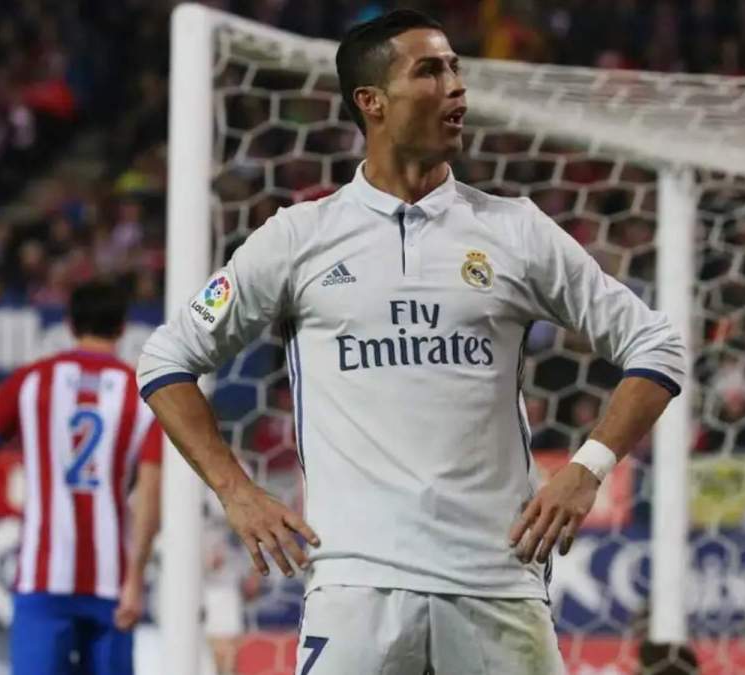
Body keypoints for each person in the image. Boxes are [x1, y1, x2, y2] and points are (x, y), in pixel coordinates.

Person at [137, 9, 686, 674]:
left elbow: (657, 344)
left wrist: (588, 467)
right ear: (372, 102)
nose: (456, 86)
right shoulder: (298, 237)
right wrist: (236, 490)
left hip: (497, 581)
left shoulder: (515, 231)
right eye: (430, 71)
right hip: (357, 586)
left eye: (455, 68)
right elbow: (167, 360)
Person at [0, 280, 163, 675]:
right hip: (112, 583)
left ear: (70, 325)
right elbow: (149, 497)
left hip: (43, 582)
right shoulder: (141, 395)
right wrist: (136, 579)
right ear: (123, 327)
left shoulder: (30, 382)